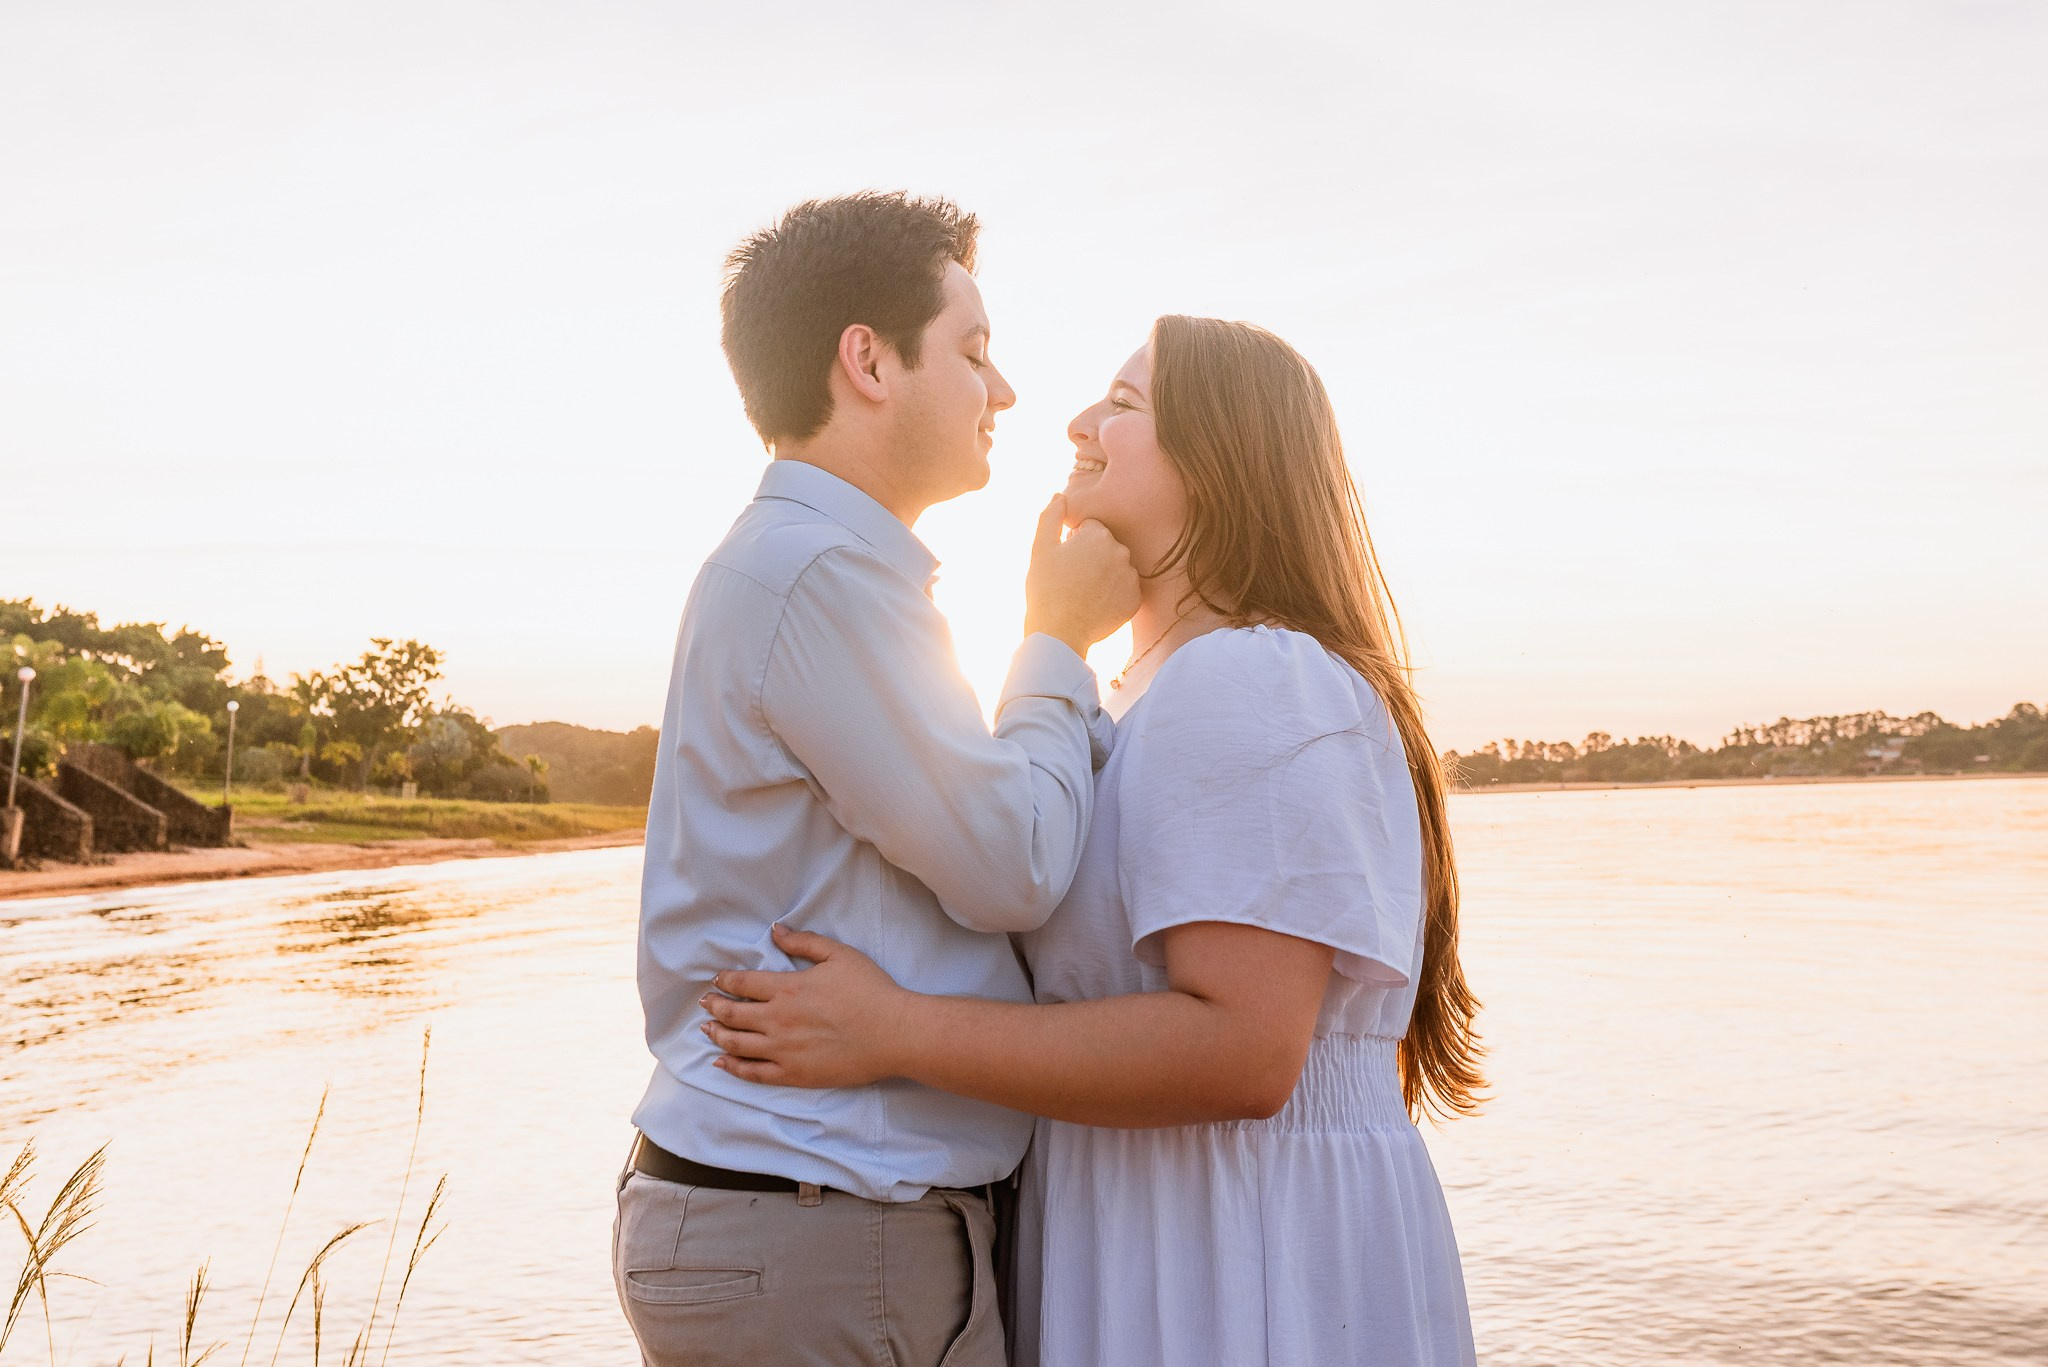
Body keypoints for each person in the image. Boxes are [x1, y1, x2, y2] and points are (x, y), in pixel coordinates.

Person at [701, 316, 1484, 1366]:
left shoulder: (1247, 677)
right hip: (1159, 1224)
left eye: (1121, 404)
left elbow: (1243, 1050)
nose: (1075, 422)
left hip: (1234, 1245)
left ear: (1219, 458)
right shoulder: (1139, 700)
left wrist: (895, 1030)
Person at [616, 191, 1140, 1367]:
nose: (1003, 390)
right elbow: (1012, 862)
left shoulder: (802, 568)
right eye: (973, 350)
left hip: (796, 1217)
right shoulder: (819, 576)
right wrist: (1054, 640)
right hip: (821, 1229)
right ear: (867, 362)